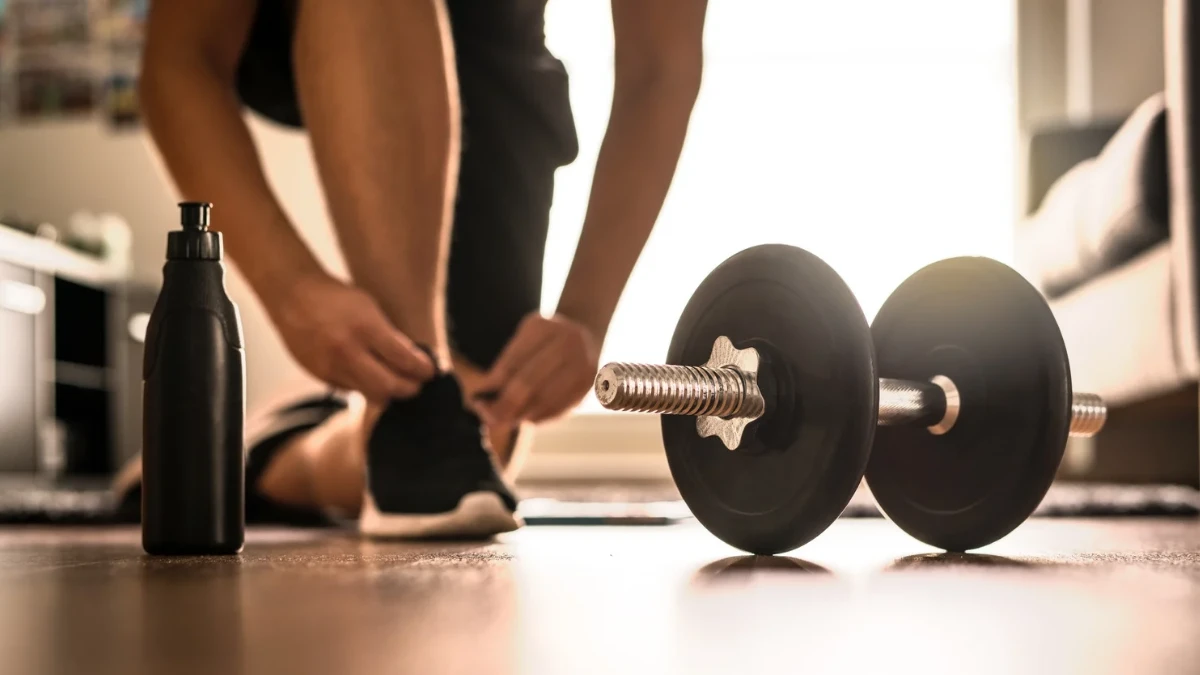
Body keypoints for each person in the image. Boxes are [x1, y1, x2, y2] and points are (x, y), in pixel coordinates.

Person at [114, 0, 707, 538]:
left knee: (482, 428)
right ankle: (411, 407)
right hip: (286, 22)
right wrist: (290, 289)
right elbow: (180, 60)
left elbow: (660, 65)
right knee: (430, 447)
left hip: (494, 45)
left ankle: (272, 449)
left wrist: (585, 317)